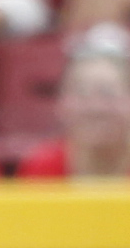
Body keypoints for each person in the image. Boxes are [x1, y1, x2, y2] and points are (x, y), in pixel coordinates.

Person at [18, 28, 130, 175]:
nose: (95, 107)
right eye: (81, 93)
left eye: (107, 93)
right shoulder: (41, 167)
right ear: (61, 103)